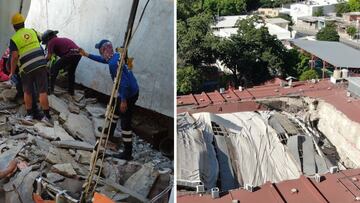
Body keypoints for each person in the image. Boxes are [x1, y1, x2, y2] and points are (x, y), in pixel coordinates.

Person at [79, 40, 139, 160]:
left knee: (125, 124)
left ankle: (128, 153)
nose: (101, 54)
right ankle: (109, 134)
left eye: (100, 51)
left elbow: (124, 83)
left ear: (104, 50)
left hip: (128, 94)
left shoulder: (113, 64)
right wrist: (87, 54)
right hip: (130, 90)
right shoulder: (116, 56)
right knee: (114, 112)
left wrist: (123, 100)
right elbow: (103, 60)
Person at [9, 13, 52, 126]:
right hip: (40, 63)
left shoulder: (14, 39)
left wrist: (12, 72)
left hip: (26, 68)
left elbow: (14, 56)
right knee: (42, 91)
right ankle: (47, 117)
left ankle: (29, 116)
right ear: (24, 23)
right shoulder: (32, 31)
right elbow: (42, 38)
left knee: (27, 91)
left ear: (13, 27)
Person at [41, 30, 81, 96]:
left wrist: (42, 63)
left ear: (47, 39)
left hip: (70, 54)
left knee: (53, 69)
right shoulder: (58, 40)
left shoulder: (52, 41)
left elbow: (48, 56)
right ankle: (71, 92)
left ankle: (50, 90)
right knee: (71, 73)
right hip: (78, 54)